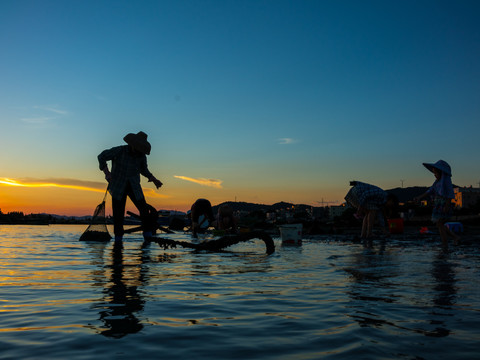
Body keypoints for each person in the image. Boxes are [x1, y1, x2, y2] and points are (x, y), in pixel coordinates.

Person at [98, 131, 163, 242]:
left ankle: (147, 236)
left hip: (134, 187)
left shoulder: (141, 156)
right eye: (138, 148)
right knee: (118, 215)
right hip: (118, 186)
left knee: (144, 210)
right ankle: (118, 239)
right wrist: (107, 173)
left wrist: (154, 179)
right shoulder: (120, 150)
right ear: (132, 145)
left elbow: (144, 170)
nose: (139, 151)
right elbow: (101, 156)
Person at [414, 160, 460, 246]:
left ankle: (445, 243)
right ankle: (454, 237)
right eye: (434, 173)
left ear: (441, 172)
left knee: (440, 224)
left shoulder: (446, 181)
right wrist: (419, 197)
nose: (434, 175)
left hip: (444, 204)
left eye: (436, 173)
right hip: (438, 204)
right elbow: (430, 191)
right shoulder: (436, 182)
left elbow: (449, 194)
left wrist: (447, 205)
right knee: (439, 224)